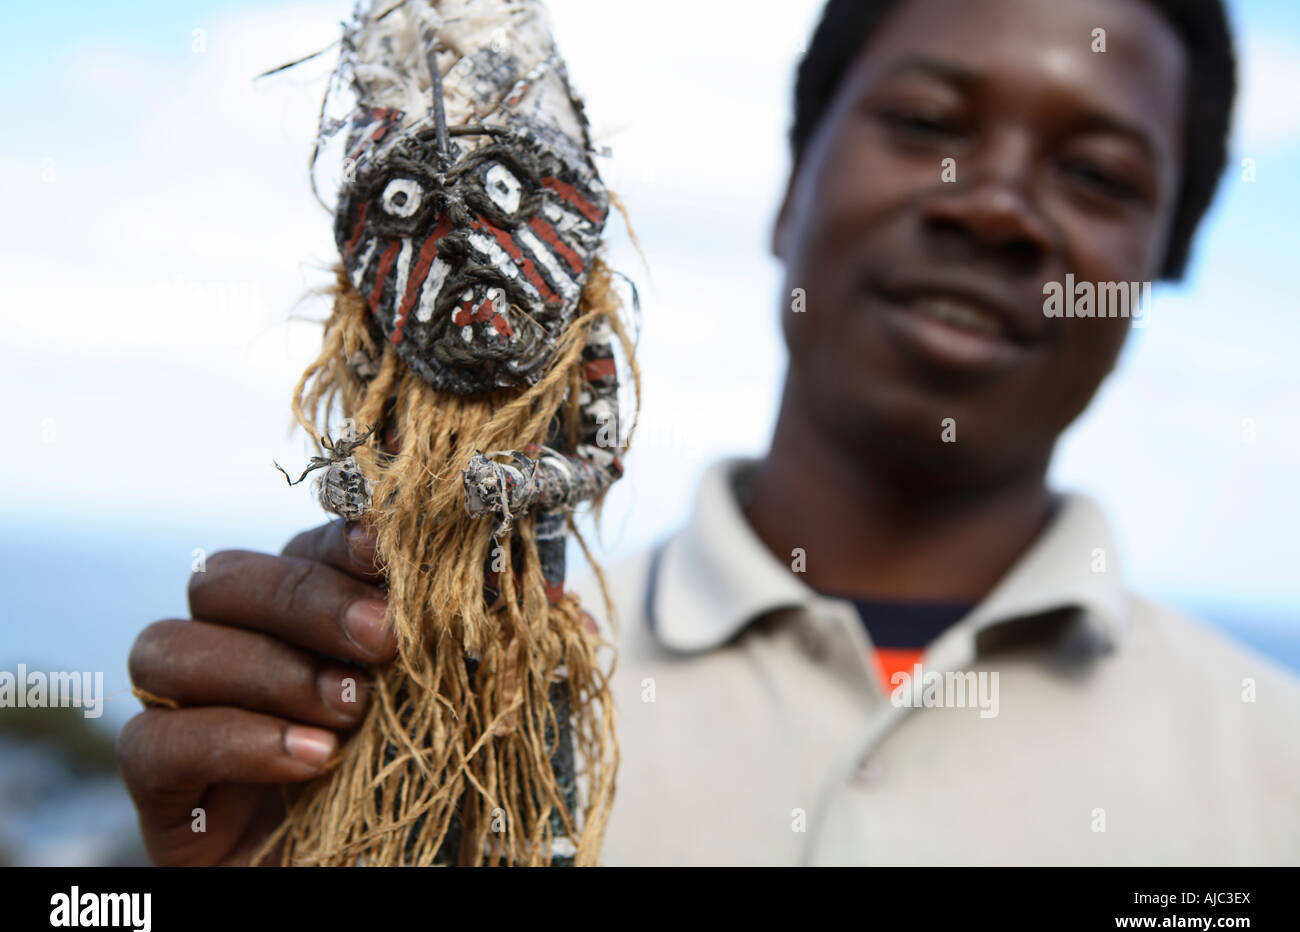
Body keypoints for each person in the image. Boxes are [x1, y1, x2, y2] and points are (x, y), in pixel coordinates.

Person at [119, 0, 1300, 865]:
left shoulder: (1273, 775)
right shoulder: (441, 684)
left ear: (1166, 262)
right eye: (927, 119)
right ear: (792, 181)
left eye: (1094, 175)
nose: (993, 205)